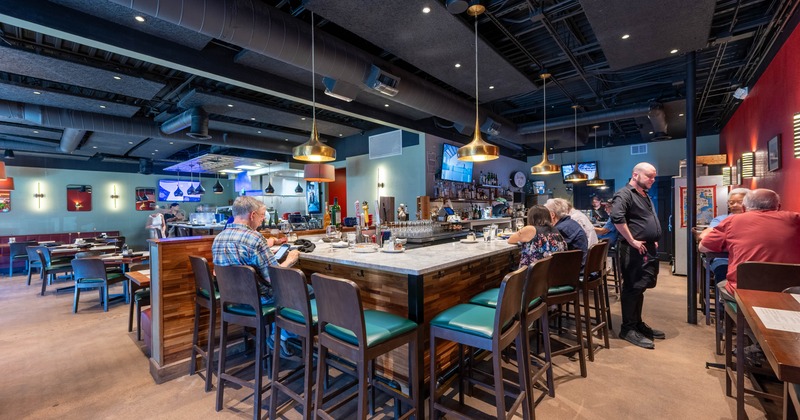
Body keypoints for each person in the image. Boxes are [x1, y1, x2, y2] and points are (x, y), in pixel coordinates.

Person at [213, 196, 301, 357]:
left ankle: (281, 336)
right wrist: (290, 259)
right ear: (252, 215)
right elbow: (274, 278)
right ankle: (282, 338)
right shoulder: (255, 238)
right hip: (259, 301)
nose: (262, 220)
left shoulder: (219, 238)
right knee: (304, 290)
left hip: (231, 299)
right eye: (262, 216)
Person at [699, 188, 800, 298]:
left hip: (744, 289)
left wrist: (731, 247)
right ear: (778, 207)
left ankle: (725, 312)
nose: (734, 205)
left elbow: (703, 247)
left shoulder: (732, 221)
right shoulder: (795, 219)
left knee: (722, 282)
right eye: (731, 202)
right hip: (791, 289)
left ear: (743, 207)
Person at [611, 162, 663, 349]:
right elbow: (617, 218)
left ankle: (637, 323)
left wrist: (651, 238)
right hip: (633, 250)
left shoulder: (644, 194)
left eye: (654, 176)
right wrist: (633, 240)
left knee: (641, 287)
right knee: (632, 287)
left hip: (647, 248)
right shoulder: (624, 194)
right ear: (635, 175)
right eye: (649, 176)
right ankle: (627, 328)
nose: (653, 180)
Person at [696, 188, 748, 282]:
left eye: (740, 202)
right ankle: (723, 296)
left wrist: (726, 244)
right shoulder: (721, 219)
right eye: (731, 202)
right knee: (722, 271)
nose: (735, 205)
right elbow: (706, 237)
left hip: (750, 260)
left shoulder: (755, 221)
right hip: (724, 260)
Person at [544, 198, 588, 265]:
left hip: (573, 271)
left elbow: (552, 255)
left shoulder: (559, 229)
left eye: (546, 214)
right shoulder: (573, 223)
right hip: (581, 266)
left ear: (552, 215)